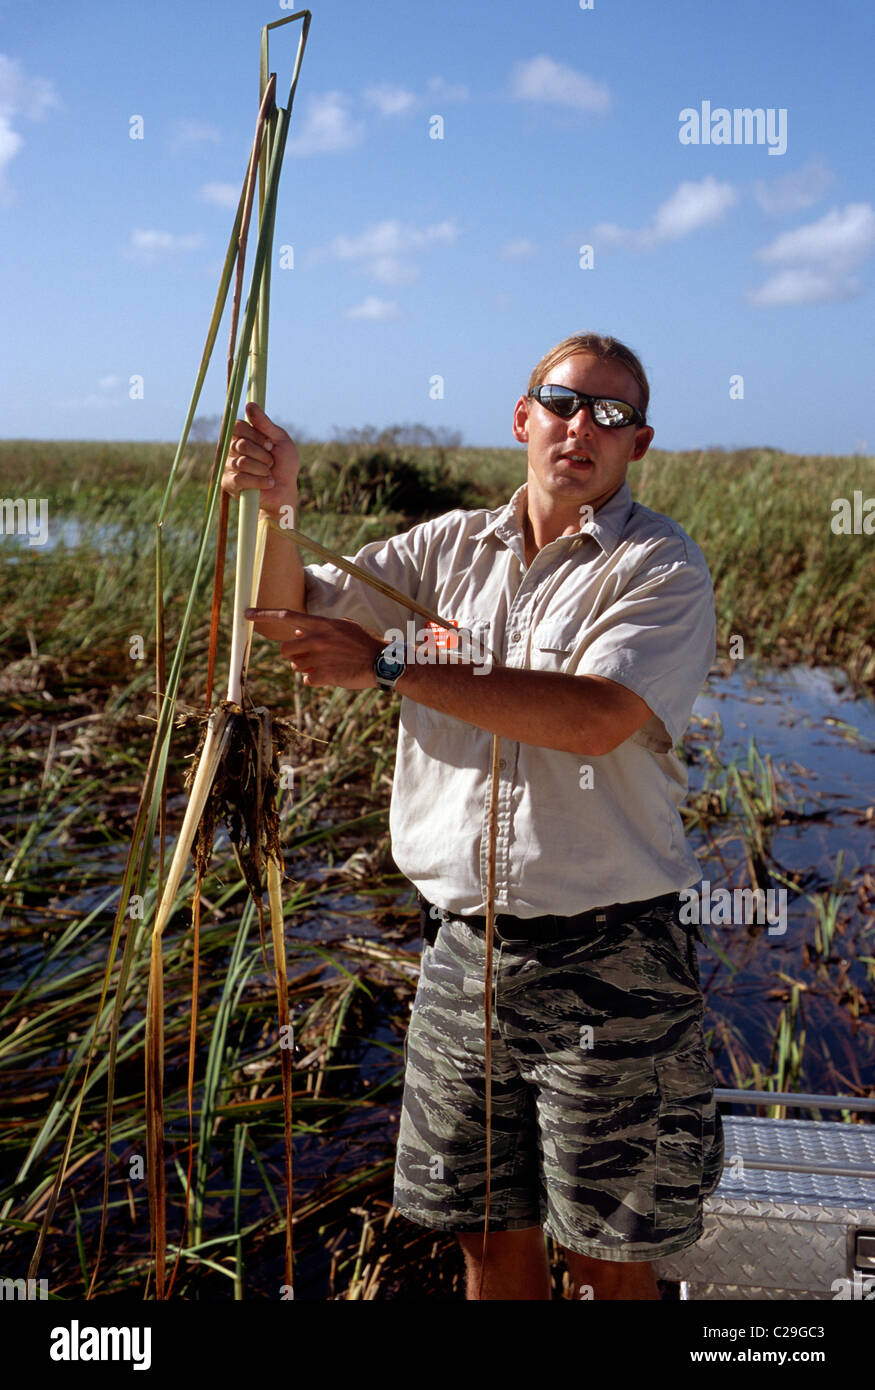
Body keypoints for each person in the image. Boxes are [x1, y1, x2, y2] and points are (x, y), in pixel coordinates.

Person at [221, 332, 724, 1301]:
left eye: (610, 416)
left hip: (612, 957)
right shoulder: (442, 548)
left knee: (607, 1255)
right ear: (521, 418)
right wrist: (275, 505)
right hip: (465, 952)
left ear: (637, 445)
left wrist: (390, 665)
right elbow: (281, 616)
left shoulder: (657, 564)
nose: (583, 427)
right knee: (486, 1236)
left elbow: (592, 719)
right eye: (563, 402)